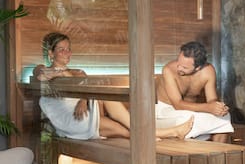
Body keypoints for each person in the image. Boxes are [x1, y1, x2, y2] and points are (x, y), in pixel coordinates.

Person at [34, 32, 192, 140]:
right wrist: (61, 72)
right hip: (71, 120)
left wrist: (83, 99)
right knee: (121, 121)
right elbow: (40, 75)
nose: (67, 53)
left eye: (68, 49)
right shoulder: (43, 69)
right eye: (61, 50)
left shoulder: (77, 72)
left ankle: (164, 133)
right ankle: (163, 134)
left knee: (124, 130)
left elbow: (82, 82)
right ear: (51, 53)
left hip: (82, 115)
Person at [156, 41, 233, 142]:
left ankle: (217, 151)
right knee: (188, 119)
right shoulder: (169, 69)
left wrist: (218, 108)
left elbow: (212, 99)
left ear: (198, 68)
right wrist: (208, 107)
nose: (179, 68)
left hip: (191, 110)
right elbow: (177, 104)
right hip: (165, 110)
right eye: (178, 62)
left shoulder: (208, 71)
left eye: (184, 67)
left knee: (225, 116)